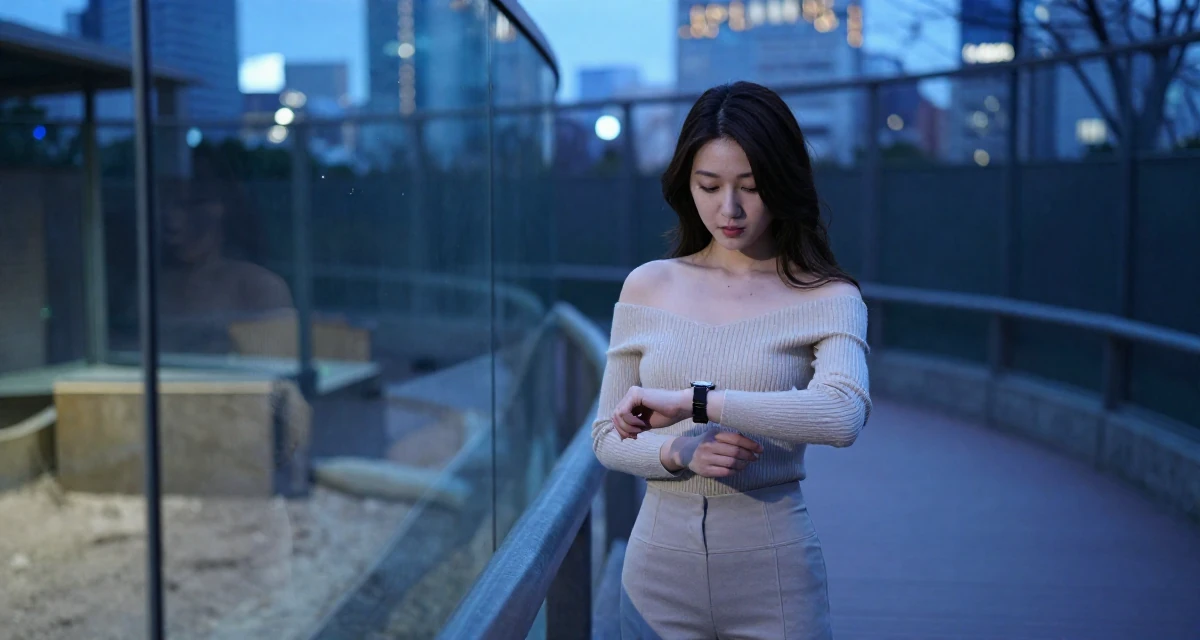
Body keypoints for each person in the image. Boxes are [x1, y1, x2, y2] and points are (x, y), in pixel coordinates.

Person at [590, 81, 871, 640]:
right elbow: (605, 436)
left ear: (783, 183)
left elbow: (842, 416)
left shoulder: (828, 296)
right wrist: (676, 449)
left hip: (774, 570)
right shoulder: (648, 285)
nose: (730, 208)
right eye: (709, 185)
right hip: (655, 572)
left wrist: (697, 401)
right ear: (684, 184)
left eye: (751, 186)